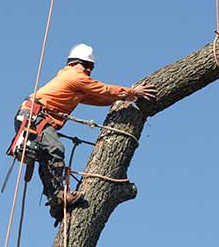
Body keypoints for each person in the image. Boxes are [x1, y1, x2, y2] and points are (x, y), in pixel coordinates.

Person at [13, 43, 157, 220]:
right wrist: (132, 92)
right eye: (85, 65)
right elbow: (102, 89)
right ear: (73, 63)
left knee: (47, 157)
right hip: (35, 117)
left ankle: (56, 200)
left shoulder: (75, 83)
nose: (88, 69)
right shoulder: (74, 76)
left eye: (91, 67)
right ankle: (58, 195)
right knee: (55, 149)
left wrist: (120, 98)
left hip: (35, 117)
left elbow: (97, 97)